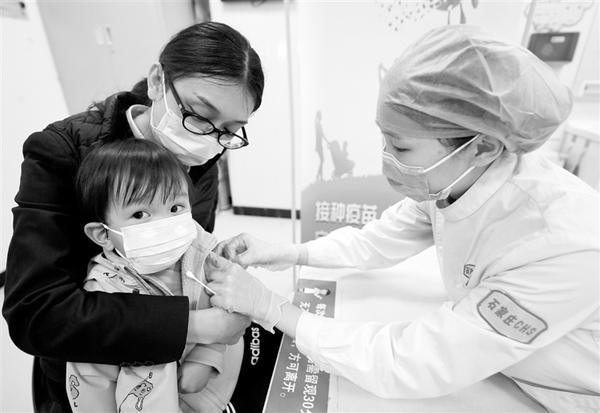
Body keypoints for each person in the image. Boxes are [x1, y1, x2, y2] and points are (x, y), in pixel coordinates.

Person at [206, 25, 599, 412]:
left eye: (402, 147)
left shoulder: (564, 245)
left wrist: (272, 308)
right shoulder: (455, 181)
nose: (387, 158)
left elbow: (412, 362)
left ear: (483, 148)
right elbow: (378, 240)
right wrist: (285, 252)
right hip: (499, 366)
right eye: (385, 139)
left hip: (565, 394)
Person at [2, 21, 263, 412]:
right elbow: (37, 313)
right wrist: (197, 326)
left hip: (175, 378)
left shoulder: (203, 158)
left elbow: (187, 260)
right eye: (198, 115)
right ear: (158, 81)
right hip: (94, 373)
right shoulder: (63, 152)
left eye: (229, 130)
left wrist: (216, 274)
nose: (208, 140)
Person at [66, 139, 241, 412]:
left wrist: (207, 356)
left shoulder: (204, 252)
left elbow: (232, 309)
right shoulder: (102, 295)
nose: (164, 224)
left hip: (213, 394)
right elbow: (91, 380)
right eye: (140, 214)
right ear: (103, 234)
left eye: (175, 208)